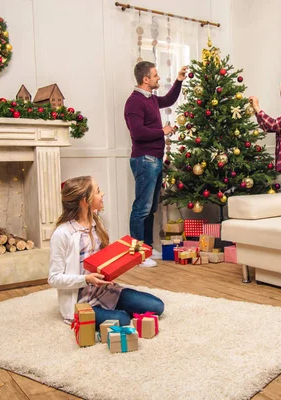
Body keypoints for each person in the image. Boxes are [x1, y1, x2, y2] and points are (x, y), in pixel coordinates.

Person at [48, 176, 164, 329]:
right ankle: (103, 315)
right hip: (81, 303)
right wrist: (86, 279)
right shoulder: (62, 234)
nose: (102, 194)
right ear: (85, 200)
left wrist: (128, 259)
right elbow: (54, 278)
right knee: (123, 320)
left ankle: (110, 311)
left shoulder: (97, 224)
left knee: (157, 306)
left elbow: (104, 261)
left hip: (106, 291)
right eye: (98, 191)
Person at [124, 61, 188, 268]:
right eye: (155, 75)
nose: (158, 78)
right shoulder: (134, 102)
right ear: (145, 79)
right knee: (141, 209)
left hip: (155, 159)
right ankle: (137, 254)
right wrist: (163, 131)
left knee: (150, 208)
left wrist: (178, 80)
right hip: (145, 160)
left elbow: (169, 99)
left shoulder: (150, 99)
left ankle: (148, 249)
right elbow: (138, 133)